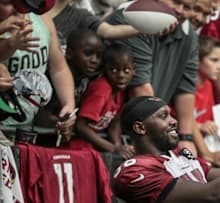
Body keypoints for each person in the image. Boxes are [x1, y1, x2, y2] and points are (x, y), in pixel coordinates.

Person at [105, 0, 201, 157]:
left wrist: (185, 138)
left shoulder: (188, 33)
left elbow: (186, 89)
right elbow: (140, 89)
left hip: (149, 126)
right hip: (110, 129)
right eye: (176, 2)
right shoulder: (133, 18)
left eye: (189, 7)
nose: (181, 10)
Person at [0, 0, 75, 139]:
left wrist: (69, 105)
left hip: (28, 127)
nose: (17, 9)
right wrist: (11, 44)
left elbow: (58, 68)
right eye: (7, 2)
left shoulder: (41, 19)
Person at [33, 28, 103, 142]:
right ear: (69, 54)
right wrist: (59, 121)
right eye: (88, 53)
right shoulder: (52, 79)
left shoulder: (86, 81)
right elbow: (37, 116)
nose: (94, 60)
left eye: (98, 56)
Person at [76, 44, 136, 159]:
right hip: (80, 143)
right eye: (113, 70)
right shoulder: (102, 89)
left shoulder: (121, 91)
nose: (121, 75)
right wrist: (113, 148)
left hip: (97, 143)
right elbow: (80, 126)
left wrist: (119, 146)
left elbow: (114, 124)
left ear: (134, 70)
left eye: (126, 70)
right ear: (104, 69)